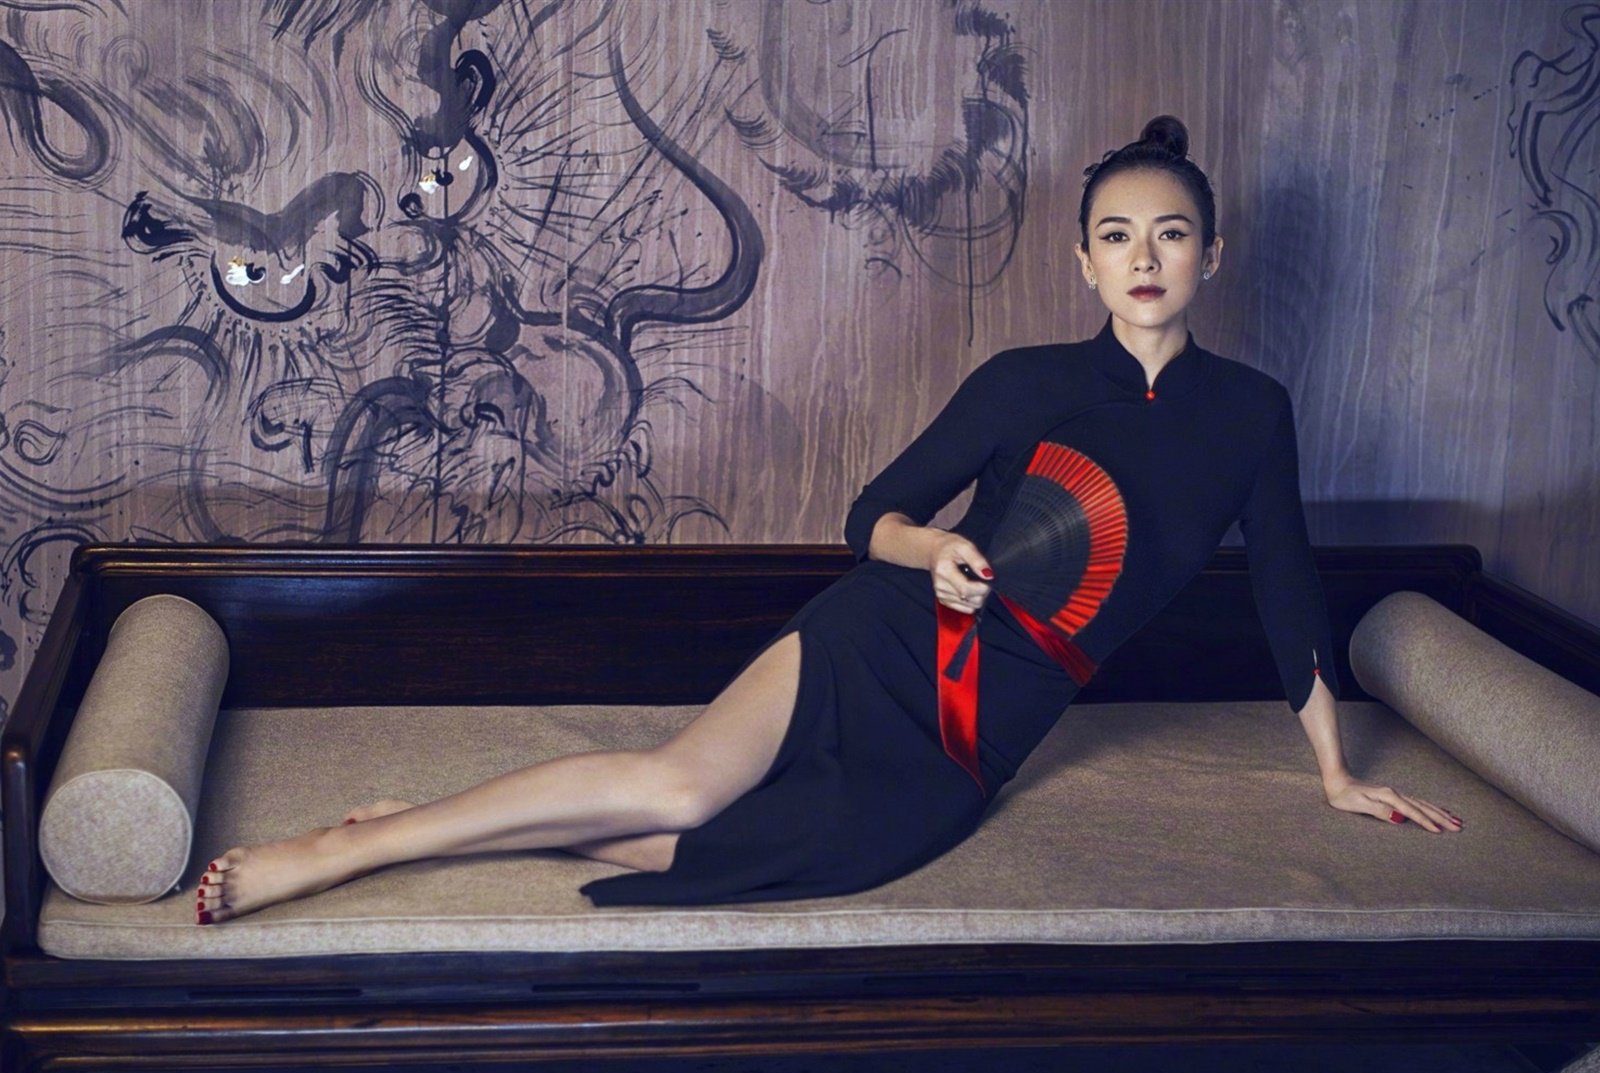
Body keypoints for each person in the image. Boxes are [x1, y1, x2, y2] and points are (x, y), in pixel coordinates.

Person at [195, 114, 1461, 926]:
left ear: (1211, 255)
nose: (1143, 258)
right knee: (683, 787)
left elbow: (1287, 590)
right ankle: (344, 852)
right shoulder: (1024, 382)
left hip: (990, 722)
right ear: (1082, 261)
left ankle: (428, 830)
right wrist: (936, 551)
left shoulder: (1251, 414)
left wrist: (1335, 772)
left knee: (774, 851)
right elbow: (873, 516)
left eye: (1169, 236)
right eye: (1116, 236)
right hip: (889, 634)